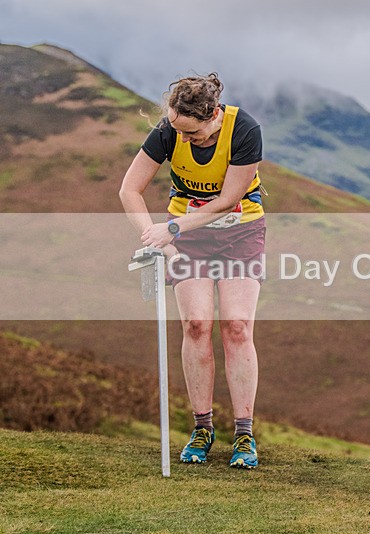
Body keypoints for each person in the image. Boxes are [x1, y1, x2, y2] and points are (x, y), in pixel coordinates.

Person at [119, 73, 264, 469]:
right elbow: (129, 189)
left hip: (240, 231)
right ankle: (202, 428)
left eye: (193, 134)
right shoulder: (170, 129)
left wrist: (172, 229)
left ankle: (245, 434)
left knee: (237, 327)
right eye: (178, 132)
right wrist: (153, 238)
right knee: (196, 325)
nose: (183, 141)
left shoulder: (245, 130)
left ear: (214, 115)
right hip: (185, 234)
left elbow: (227, 200)